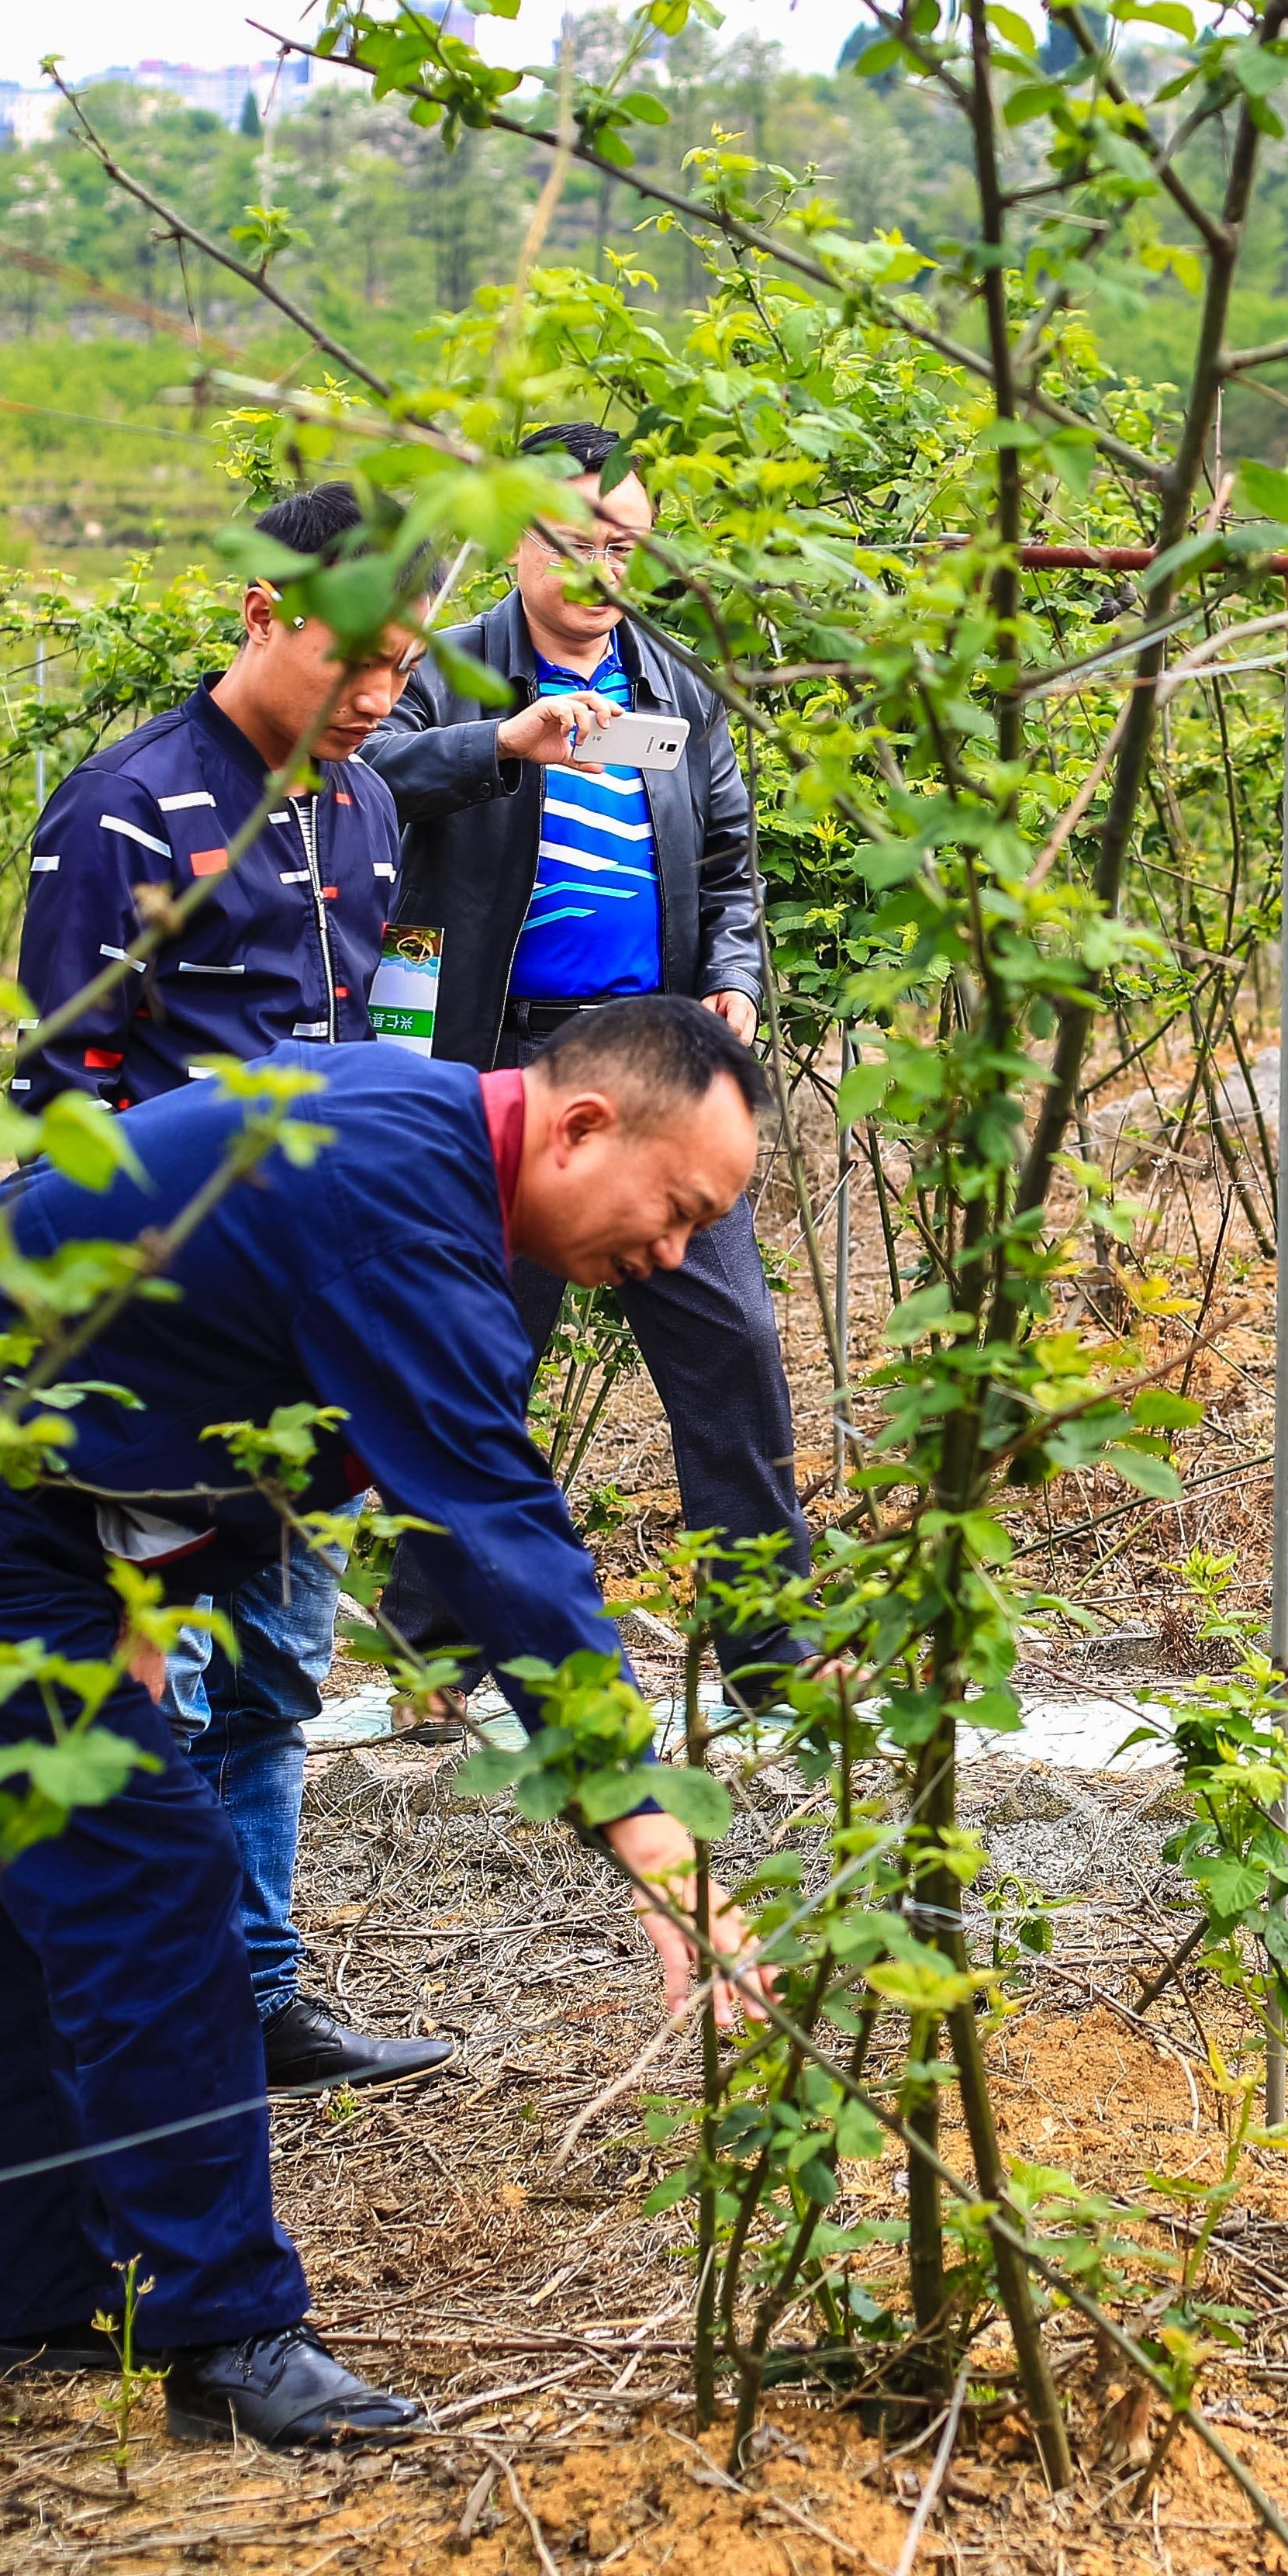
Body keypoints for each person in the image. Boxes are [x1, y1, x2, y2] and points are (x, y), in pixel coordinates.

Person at [0, 1001, 768, 2449]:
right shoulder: (404, 1212)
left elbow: (200, 1338)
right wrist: (643, 1821)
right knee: (150, 1882)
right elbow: (493, 1528)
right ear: (580, 1127)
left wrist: (132, 1582)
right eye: (677, 1208)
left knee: (27, 1890)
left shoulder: (412, 1132)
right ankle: (225, 2331)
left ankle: (56, 2296)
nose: (675, 1254)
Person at [9, 479, 439, 2093]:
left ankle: (258, 1996)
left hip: (314, 1328)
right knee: (161, 1679)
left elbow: (376, 1036)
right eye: (354, 660)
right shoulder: (127, 807)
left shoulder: (367, 804)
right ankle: (154, 2002)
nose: (378, 697)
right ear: (263, 611)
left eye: (402, 666)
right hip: (167, 1335)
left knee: (274, 1674)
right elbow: (65, 1097)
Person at [364, 423, 806, 1699]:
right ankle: (430, 1655)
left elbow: (729, 863)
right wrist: (500, 744)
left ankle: (770, 1655)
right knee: (474, 1358)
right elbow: (359, 776)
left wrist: (733, 978)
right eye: (575, 538)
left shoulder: (677, 688)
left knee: (732, 1342)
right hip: (495, 1063)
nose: (603, 566)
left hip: (655, 1063)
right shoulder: (447, 670)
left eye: (625, 544)